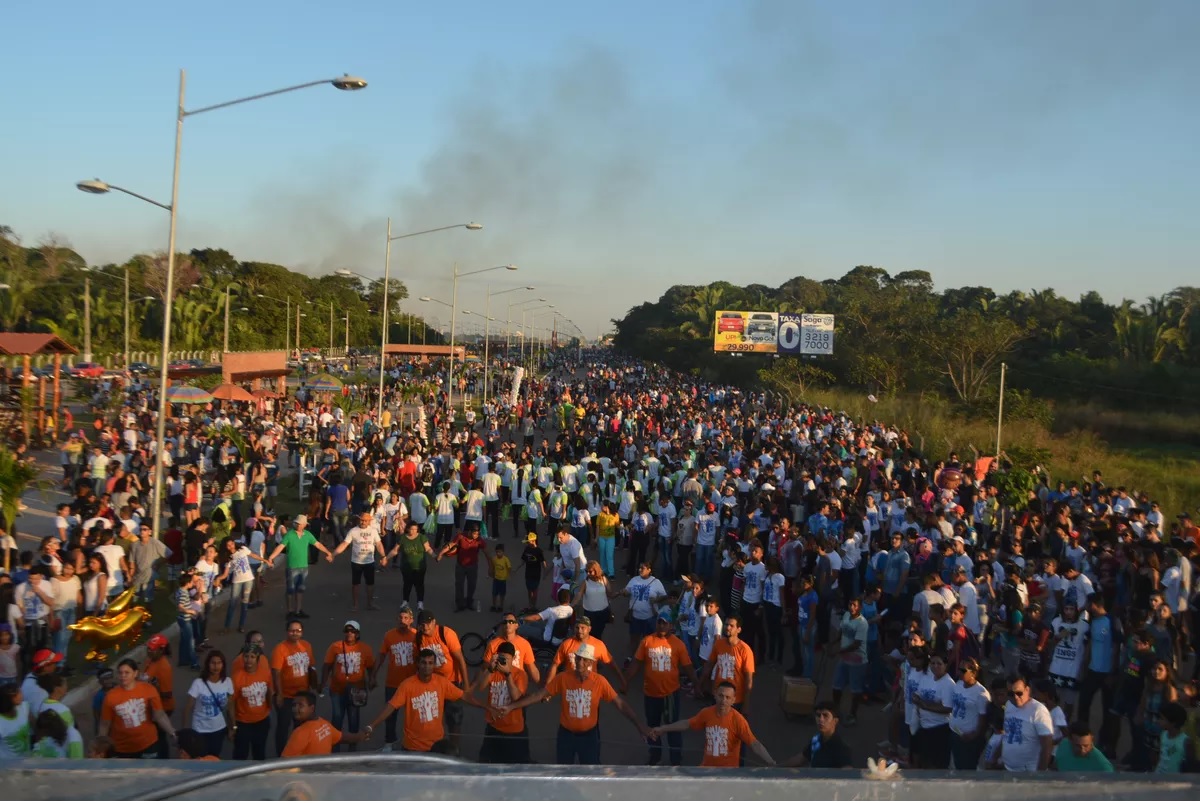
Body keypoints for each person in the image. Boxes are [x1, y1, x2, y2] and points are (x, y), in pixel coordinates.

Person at [502, 643, 648, 765]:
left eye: (584, 660)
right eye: (578, 659)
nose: (579, 663)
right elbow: (539, 695)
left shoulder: (599, 681)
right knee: (563, 772)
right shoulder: (563, 678)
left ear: (590, 662)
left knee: (591, 772)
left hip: (589, 737)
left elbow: (620, 704)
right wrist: (512, 707)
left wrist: (639, 725)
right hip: (566, 736)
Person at [363, 648, 488, 753]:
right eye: (423, 663)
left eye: (430, 663)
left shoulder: (442, 682)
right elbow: (391, 706)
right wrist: (372, 725)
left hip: (435, 747)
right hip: (412, 748)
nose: (427, 666)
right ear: (418, 664)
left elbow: (464, 696)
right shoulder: (407, 685)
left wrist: (486, 707)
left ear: (434, 665)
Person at [623, 609, 699, 766]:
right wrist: (626, 681)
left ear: (671, 625)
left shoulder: (678, 645)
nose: (662, 626)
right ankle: (655, 755)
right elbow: (636, 663)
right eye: (660, 622)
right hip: (650, 694)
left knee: (672, 727)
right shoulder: (647, 641)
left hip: (670, 694)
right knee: (652, 727)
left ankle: (675, 759)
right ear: (656, 623)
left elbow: (688, 666)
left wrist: (696, 684)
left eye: (665, 623)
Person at [650, 680, 775, 767]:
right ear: (715, 695)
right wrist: (663, 728)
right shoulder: (706, 713)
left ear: (733, 700)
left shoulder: (738, 720)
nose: (723, 700)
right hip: (706, 768)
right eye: (720, 696)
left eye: (727, 697)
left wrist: (772, 762)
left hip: (727, 773)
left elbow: (754, 744)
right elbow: (687, 724)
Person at [100, 658, 177, 759]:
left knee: (149, 772)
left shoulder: (148, 689)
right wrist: (101, 745)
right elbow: (105, 724)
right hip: (122, 748)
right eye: (120, 673)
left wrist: (172, 732)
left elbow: (160, 715)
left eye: (127, 672)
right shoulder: (110, 697)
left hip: (148, 744)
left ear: (135, 673)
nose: (123, 676)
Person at [472, 641, 531, 763]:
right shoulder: (493, 671)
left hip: (513, 731)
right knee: (486, 763)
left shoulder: (520, 675)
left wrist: (507, 675)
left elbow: (516, 697)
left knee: (513, 767)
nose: (503, 661)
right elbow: (481, 687)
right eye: (501, 657)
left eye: (506, 659)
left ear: (513, 658)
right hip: (493, 727)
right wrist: (490, 669)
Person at [319, 620, 374, 752]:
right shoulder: (335, 646)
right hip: (337, 690)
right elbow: (326, 666)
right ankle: (335, 748)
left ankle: (352, 748)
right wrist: (323, 682)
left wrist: (372, 680)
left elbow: (370, 667)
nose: (349, 633)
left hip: (356, 691)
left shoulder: (365, 649)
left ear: (357, 633)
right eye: (347, 631)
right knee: (337, 718)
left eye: (353, 631)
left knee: (353, 719)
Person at [370, 604, 418, 751]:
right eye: (400, 617)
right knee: (390, 715)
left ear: (411, 620)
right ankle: (389, 742)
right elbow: (381, 656)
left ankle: (414, 742)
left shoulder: (417, 635)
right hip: (393, 683)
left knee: (414, 715)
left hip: (412, 683)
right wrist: (373, 675)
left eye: (406, 618)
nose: (402, 620)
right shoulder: (389, 635)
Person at [266, 514, 333, 618]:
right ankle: (289, 611)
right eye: (296, 523)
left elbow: (317, 544)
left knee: (300, 589)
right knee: (290, 590)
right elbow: (281, 546)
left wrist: (328, 552)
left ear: (304, 525)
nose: (297, 525)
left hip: (303, 567)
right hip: (292, 567)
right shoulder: (289, 535)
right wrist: (271, 557)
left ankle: (298, 610)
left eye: (299, 524)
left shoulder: (308, 535)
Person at [271, 617, 316, 757]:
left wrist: (313, 687)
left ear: (302, 632)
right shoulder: (280, 648)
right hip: (286, 697)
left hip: (302, 694)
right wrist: (279, 694)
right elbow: (276, 672)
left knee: (301, 728)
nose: (295, 633)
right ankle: (281, 756)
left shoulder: (307, 646)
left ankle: (298, 754)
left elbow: (311, 668)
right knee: (283, 728)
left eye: (298, 630)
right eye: (292, 631)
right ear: (287, 632)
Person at [990, 674, 1054, 772]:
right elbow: (1007, 734)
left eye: (1019, 693)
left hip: (1028, 773)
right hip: (1007, 769)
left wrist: (1040, 774)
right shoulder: (1009, 705)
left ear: (1027, 690)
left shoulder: (1038, 711)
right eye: (1011, 694)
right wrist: (995, 756)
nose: (1015, 697)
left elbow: (1047, 745)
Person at [281, 690, 369, 756]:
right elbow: (341, 737)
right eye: (294, 705)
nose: (295, 709)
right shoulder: (323, 724)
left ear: (312, 708)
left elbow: (284, 764)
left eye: (300, 705)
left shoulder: (300, 733)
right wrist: (360, 736)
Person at [183, 649, 233, 759]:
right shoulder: (198, 683)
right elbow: (188, 707)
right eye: (213, 663)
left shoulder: (227, 682)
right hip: (200, 730)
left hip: (219, 729)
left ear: (223, 665)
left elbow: (230, 707)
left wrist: (232, 727)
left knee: (214, 757)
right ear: (207, 665)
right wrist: (185, 731)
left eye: (219, 663)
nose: (216, 666)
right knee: (200, 758)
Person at [332, 511, 386, 612]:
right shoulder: (353, 531)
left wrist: (383, 556)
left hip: (369, 562)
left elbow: (378, 544)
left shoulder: (373, 531)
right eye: (361, 520)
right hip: (356, 562)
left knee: (370, 584)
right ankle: (355, 605)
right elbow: (344, 544)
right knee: (355, 584)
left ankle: (370, 603)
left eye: (365, 521)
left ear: (369, 522)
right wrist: (333, 554)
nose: (363, 522)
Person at [700, 616, 756, 711]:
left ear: (739, 629)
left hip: (735, 700)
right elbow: (709, 666)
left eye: (731, 625)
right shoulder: (719, 644)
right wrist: (700, 684)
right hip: (718, 695)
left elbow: (748, 680)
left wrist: (746, 705)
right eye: (726, 624)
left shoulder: (745, 650)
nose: (728, 627)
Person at [436, 521, 493, 613]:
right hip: (460, 565)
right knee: (459, 585)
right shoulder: (461, 537)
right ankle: (460, 604)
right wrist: (441, 554)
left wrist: (490, 567)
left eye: (477, 534)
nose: (475, 535)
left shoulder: (479, 540)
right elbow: (451, 545)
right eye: (474, 533)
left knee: (472, 585)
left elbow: (487, 553)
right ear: (469, 531)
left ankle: (469, 602)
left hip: (473, 566)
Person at [230, 642, 274, 760]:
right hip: (243, 723)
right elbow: (231, 703)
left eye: (252, 657)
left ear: (258, 659)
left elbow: (270, 691)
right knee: (240, 754)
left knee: (259, 753)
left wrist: (269, 710)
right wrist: (233, 726)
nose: (248, 660)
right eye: (246, 656)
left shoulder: (265, 673)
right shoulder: (237, 677)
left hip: (262, 721)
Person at [784, 701, 855, 768]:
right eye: (818, 715)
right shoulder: (816, 739)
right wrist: (777, 767)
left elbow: (847, 772)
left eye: (825, 716)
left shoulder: (842, 748)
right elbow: (800, 759)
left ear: (835, 721)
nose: (821, 719)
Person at [949, 656, 990, 772]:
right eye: (959, 669)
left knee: (967, 768)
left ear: (973, 673)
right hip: (955, 733)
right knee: (957, 765)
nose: (959, 673)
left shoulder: (981, 694)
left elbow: (983, 720)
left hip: (968, 739)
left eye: (963, 670)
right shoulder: (958, 684)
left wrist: (974, 735)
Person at [481, 613, 541, 686]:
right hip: (498, 684)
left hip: (517, 683)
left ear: (516, 626)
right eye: (504, 622)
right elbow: (484, 668)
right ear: (502, 626)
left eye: (511, 622)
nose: (508, 624)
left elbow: (532, 668)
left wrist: (541, 687)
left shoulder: (524, 644)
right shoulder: (493, 644)